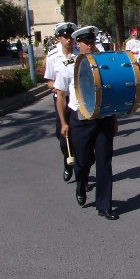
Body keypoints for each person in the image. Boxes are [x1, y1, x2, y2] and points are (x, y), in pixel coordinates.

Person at [54, 25, 120, 220]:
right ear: (78, 44)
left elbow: (111, 92)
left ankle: (104, 205)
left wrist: (114, 118)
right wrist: (64, 122)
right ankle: (81, 183)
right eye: (86, 43)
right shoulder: (68, 66)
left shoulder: (104, 64)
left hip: (103, 118)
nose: (90, 46)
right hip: (81, 120)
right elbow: (60, 96)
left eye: (92, 42)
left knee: (104, 161)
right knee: (82, 162)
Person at [44, 22, 79, 182]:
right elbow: (50, 81)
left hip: (78, 100)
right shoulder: (52, 57)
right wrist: (57, 88)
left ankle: (81, 174)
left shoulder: (80, 55)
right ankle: (68, 162)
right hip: (62, 100)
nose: (69, 39)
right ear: (59, 38)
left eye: (71, 36)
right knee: (64, 138)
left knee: (79, 138)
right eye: (65, 36)